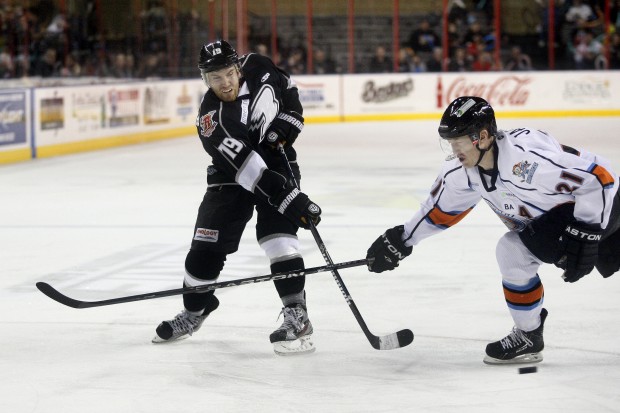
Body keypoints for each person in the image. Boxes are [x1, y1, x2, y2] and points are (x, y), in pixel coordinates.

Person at [366, 96, 620, 365]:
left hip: (600, 204)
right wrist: (402, 240)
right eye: (449, 143)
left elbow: (600, 178)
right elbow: (439, 210)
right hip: (561, 218)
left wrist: (586, 233)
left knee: (514, 251)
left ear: (483, 137)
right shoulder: (462, 172)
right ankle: (528, 335)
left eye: (459, 141)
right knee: (514, 253)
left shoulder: (525, 162)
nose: (454, 150)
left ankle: (528, 334)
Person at [152, 40, 322, 355]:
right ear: (204, 80)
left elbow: (287, 86)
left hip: (277, 160)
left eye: (229, 73)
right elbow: (250, 171)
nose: (225, 83)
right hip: (232, 173)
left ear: (238, 67)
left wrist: (289, 121)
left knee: (279, 240)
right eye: (215, 78)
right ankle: (194, 311)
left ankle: (298, 316)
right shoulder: (211, 120)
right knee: (205, 249)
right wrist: (291, 200)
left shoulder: (259, 64)